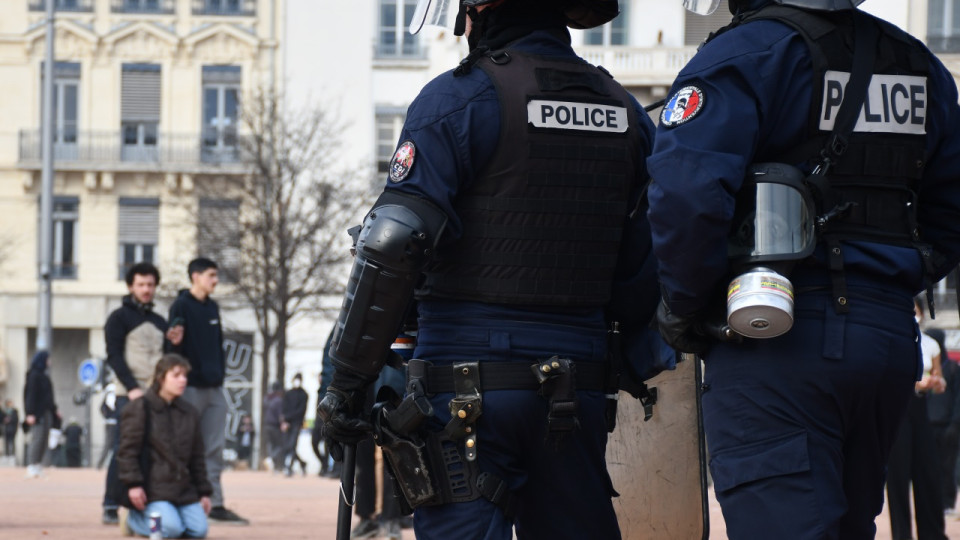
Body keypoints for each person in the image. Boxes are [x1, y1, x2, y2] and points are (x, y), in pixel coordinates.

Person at [319, 0, 659, 537]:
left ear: (479, 13)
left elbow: (393, 243)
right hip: (579, 388)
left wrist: (346, 379)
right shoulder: (624, 110)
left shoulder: (459, 97)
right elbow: (645, 263)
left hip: (467, 391)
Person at [647, 0, 960, 538]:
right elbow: (951, 209)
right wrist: (889, 279)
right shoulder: (918, 63)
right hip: (885, 337)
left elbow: (686, 195)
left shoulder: (744, 55)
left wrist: (688, 304)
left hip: (778, 332)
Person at [169, 257, 248, 525]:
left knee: (214, 448)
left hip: (215, 390)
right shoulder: (180, 305)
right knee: (184, 447)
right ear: (196, 276)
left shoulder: (213, 307)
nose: (215, 280)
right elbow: (172, 349)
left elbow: (217, 346)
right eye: (211, 275)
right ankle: (181, 503)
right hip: (190, 389)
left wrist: (220, 376)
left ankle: (215, 504)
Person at [102, 262, 182, 524]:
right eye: (141, 284)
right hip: (129, 394)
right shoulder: (118, 318)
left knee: (156, 450)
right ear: (130, 286)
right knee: (123, 448)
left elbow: (168, 361)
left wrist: (174, 342)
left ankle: (147, 503)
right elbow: (114, 356)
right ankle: (111, 504)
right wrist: (133, 388)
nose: (146, 289)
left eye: (150, 284)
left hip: (156, 396)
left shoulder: (160, 321)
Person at [117, 353, 212, 538]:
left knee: (199, 531)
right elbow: (127, 452)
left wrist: (203, 492)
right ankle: (132, 519)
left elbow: (197, 456)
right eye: (176, 376)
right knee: (170, 529)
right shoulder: (140, 408)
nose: (182, 381)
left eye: (184, 376)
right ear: (161, 378)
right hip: (153, 491)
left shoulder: (189, 413)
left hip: (183, 490)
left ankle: (165, 518)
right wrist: (133, 484)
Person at [886, 298, 948, 540]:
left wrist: (935, 383)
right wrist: (915, 382)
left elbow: (939, 379)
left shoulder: (931, 344)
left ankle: (932, 533)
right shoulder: (892, 341)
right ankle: (902, 534)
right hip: (897, 410)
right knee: (898, 476)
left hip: (921, 408)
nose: (914, 315)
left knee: (928, 470)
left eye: (916, 310)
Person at [926, 326, 960, 516]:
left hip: (948, 426)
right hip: (928, 425)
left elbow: (958, 399)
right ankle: (932, 501)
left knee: (947, 466)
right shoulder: (927, 371)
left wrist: (955, 424)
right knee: (930, 467)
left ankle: (947, 502)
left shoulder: (953, 369)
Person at [23, 351, 59, 479]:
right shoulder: (34, 376)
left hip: (46, 411)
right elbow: (30, 396)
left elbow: (49, 397)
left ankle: (38, 464)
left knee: (44, 438)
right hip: (37, 413)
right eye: (48, 359)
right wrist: (30, 413)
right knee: (37, 438)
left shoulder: (44, 376)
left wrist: (55, 410)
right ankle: (31, 464)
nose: (50, 362)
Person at [280, 373, 308, 477]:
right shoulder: (288, 393)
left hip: (297, 423)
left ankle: (289, 467)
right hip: (287, 422)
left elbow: (302, 410)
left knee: (292, 445)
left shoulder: (304, 394)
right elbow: (284, 407)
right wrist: (284, 421)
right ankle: (302, 463)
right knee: (288, 446)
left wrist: (289, 418)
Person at [263, 382, 284, 472]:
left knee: (271, 444)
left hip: (267, 424)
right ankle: (271, 459)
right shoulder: (278, 400)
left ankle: (273, 464)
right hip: (275, 425)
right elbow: (280, 414)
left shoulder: (266, 399)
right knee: (279, 445)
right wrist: (283, 423)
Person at [3, 399, 18, 464]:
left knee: (12, 442)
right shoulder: (4, 411)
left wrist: (10, 420)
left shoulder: (15, 411)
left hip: (12, 429)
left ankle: (12, 455)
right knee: (6, 442)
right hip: (6, 429)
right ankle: (6, 455)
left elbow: (16, 419)